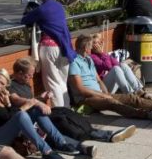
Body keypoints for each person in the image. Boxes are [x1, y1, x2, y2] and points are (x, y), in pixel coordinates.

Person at [8, 56, 137, 143]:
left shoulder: (24, 83)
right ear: (19, 73)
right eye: (28, 75)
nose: (30, 78)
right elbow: (17, 100)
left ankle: (101, 133)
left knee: (66, 111)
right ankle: (104, 136)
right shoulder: (11, 86)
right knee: (62, 120)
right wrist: (36, 101)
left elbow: (31, 99)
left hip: (38, 111)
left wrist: (40, 97)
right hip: (31, 119)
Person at [68, 35, 152, 121]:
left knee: (130, 98)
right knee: (115, 104)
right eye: (90, 47)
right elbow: (80, 89)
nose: (91, 49)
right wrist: (103, 95)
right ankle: (146, 114)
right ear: (85, 49)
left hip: (99, 93)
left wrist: (106, 93)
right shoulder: (75, 63)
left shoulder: (88, 60)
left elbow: (98, 80)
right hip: (87, 99)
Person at [0, 69, 71, 159]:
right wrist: (24, 106)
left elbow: (9, 114)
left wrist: (9, 104)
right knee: (21, 115)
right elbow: (5, 117)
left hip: (9, 131)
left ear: (6, 85)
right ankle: (46, 151)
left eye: (2, 83)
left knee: (35, 110)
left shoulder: (1, 96)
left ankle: (61, 143)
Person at [21, 0, 75, 107]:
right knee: (62, 83)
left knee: (53, 84)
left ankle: (60, 114)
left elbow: (24, 20)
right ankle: (67, 111)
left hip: (50, 48)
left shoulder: (41, 10)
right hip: (64, 48)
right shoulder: (59, 7)